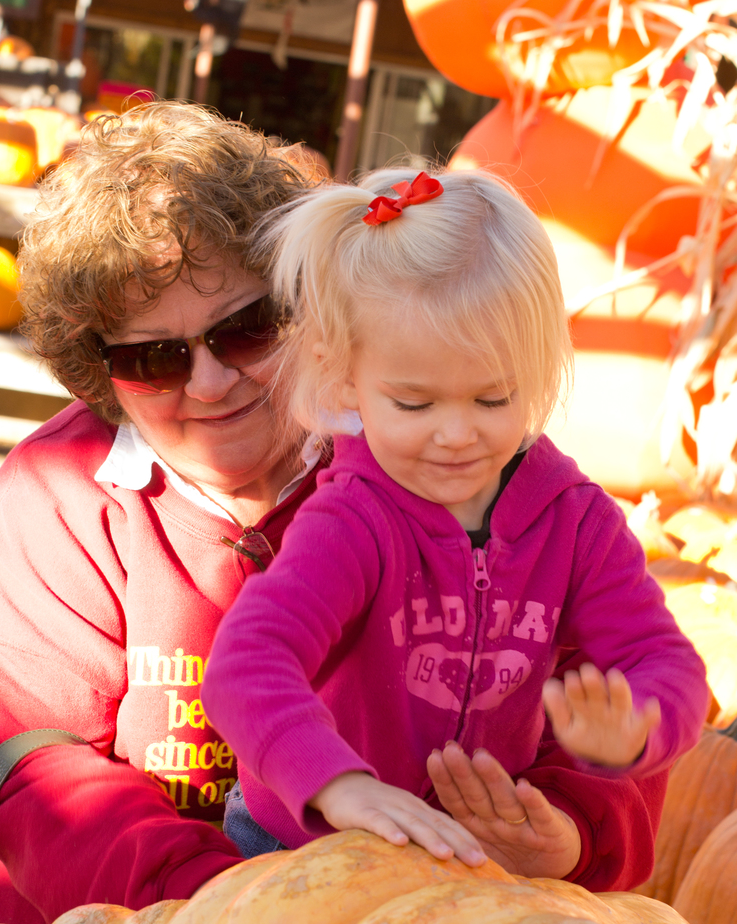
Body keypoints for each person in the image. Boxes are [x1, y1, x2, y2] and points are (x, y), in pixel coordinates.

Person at [0, 114, 673, 924]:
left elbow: (609, 698)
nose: (211, 381)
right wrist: (246, 920)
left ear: (318, 320)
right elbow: (36, 769)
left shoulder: (445, 465)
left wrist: (571, 833)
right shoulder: (57, 498)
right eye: (154, 358)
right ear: (99, 371)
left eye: (244, 329)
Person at [202, 168, 708, 882]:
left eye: (493, 397)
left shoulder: (575, 522)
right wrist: (337, 786)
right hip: (303, 844)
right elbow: (246, 666)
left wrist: (639, 727)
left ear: (536, 376)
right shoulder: (354, 520)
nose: (457, 434)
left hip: (468, 855)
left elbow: (667, 664)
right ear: (345, 376)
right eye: (414, 404)